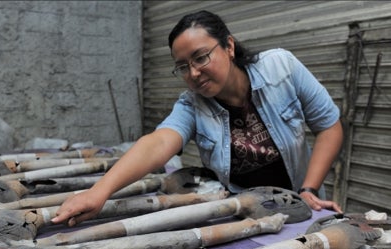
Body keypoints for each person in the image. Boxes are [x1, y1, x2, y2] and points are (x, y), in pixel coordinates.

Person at [53, 10, 343, 227]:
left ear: (228, 47)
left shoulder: (281, 68)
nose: (193, 73)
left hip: (303, 202)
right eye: (182, 66)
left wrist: (308, 189)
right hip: (246, 213)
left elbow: (329, 126)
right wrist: (98, 192)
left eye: (201, 57)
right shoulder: (192, 106)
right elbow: (157, 144)